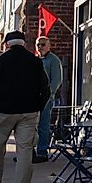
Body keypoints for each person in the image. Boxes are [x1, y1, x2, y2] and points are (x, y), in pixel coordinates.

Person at [0, 30, 49, 183]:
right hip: (29, 112)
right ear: (24, 44)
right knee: (25, 154)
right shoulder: (36, 61)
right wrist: (37, 107)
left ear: (6, 45)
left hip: (2, 111)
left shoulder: (0, 60)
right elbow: (46, 89)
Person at [34, 36, 62, 164]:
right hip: (34, 98)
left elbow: (56, 80)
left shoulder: (53, 60)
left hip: (45, 99)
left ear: (49, 45)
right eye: (38, 45)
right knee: (31, 126)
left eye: (43, 44)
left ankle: (42, 152)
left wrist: (48, 95)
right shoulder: (36, 60)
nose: (40, 47)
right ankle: (30, 152)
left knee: (43, 126)